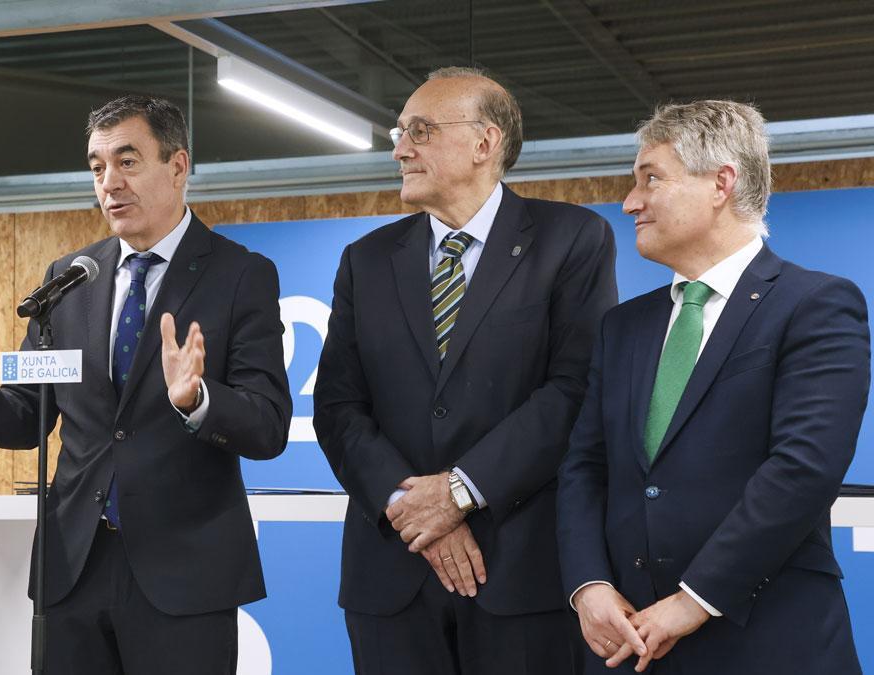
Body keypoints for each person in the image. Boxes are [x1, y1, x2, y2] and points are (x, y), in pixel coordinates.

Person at [0, 95, 292, 674]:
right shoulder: (69, 281)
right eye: (97, 167)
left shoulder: (241, 275)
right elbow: (28, 415)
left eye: (128, 161)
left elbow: (267, 426)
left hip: (185, 576)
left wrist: (198, 399)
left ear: (178, 166)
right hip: (74, 568)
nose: (109, 183)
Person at [313, 66, 617, 674]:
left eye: (420, 131)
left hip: (520, 573)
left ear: (485, 143)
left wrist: (460, 491)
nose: (400, 148)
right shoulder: (365, 261)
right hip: (392, 577)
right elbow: (339, 406)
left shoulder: (571, 240)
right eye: (400, 132)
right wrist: (414, 508)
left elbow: (574, 390)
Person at [557, 100, 868, 673]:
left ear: (721, 182)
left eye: (651, 178)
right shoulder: (623, 326)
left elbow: (803, 468)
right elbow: (584, 465)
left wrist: (693, 600)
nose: (630, 202)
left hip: (768, 641)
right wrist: (589, 585)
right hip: (630, 643)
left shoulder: (815, 305)